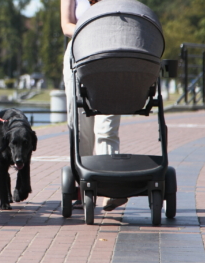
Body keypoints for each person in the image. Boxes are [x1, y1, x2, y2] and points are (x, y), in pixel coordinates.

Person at [61, 0, 127, 211]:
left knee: (106, 128)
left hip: (111, 53)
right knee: (82, 129)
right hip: (80, 52)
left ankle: (110, 188)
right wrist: (93, 30)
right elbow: (66, 24)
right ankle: (84, 185)